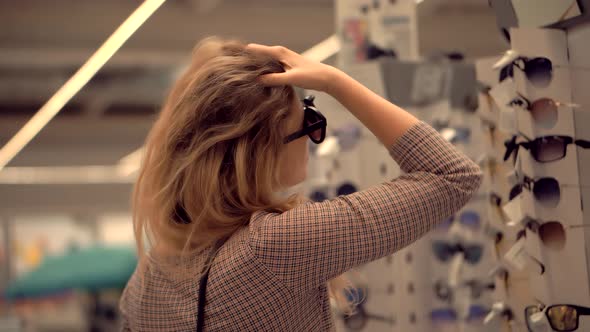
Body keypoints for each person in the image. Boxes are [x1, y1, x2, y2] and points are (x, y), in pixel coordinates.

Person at [119, 37, 482, 331]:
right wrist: (335, 81)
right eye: (306, 125)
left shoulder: (146, 281)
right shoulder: (275, 245)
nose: (312, 137)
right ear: (263, 152)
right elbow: (451, 176)